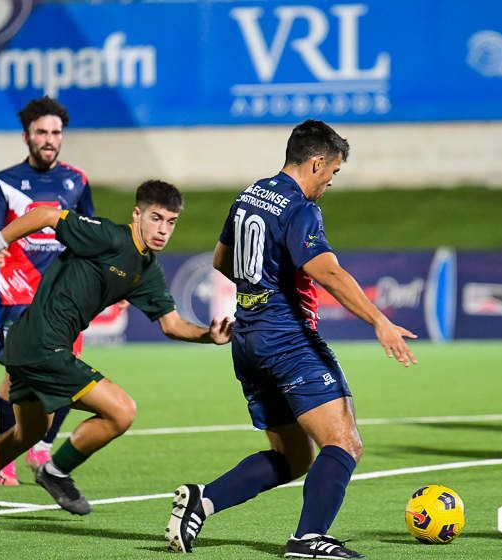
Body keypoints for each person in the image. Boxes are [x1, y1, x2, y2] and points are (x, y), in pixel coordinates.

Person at [165, 120, 417, 558]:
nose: (330, 183)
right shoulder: (301, 208)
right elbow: (328, 271)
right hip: (288, 342)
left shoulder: (250, 195)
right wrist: (379, 320)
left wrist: (262, 283)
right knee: (344, 443)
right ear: (317, 162)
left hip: (248, 341)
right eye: (333, 173)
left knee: (294, 458)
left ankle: (201, 501)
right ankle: (309, 537)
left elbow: (223, 260)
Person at [0, 180, 233, 520]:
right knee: (121, 411)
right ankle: (55, 472)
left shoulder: (146, 270)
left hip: (30, 347)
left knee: (26, 433)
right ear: (137, 214)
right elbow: (46, 214)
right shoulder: (108, 236)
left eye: (170, 222)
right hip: (42, 344)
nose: (163, 229)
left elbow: (172, 324)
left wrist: (211, 336)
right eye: (156, 218)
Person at [0, 96, 94, 486]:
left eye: (56, 132)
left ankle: (42, 444)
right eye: (42, 132)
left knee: (66, 376)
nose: (49, 139)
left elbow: (88, 232)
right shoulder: (4, 181)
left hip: (64, 298)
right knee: (15, 382)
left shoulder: (77, 181)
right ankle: (4, 454)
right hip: (18, 294)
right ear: (27, 136)